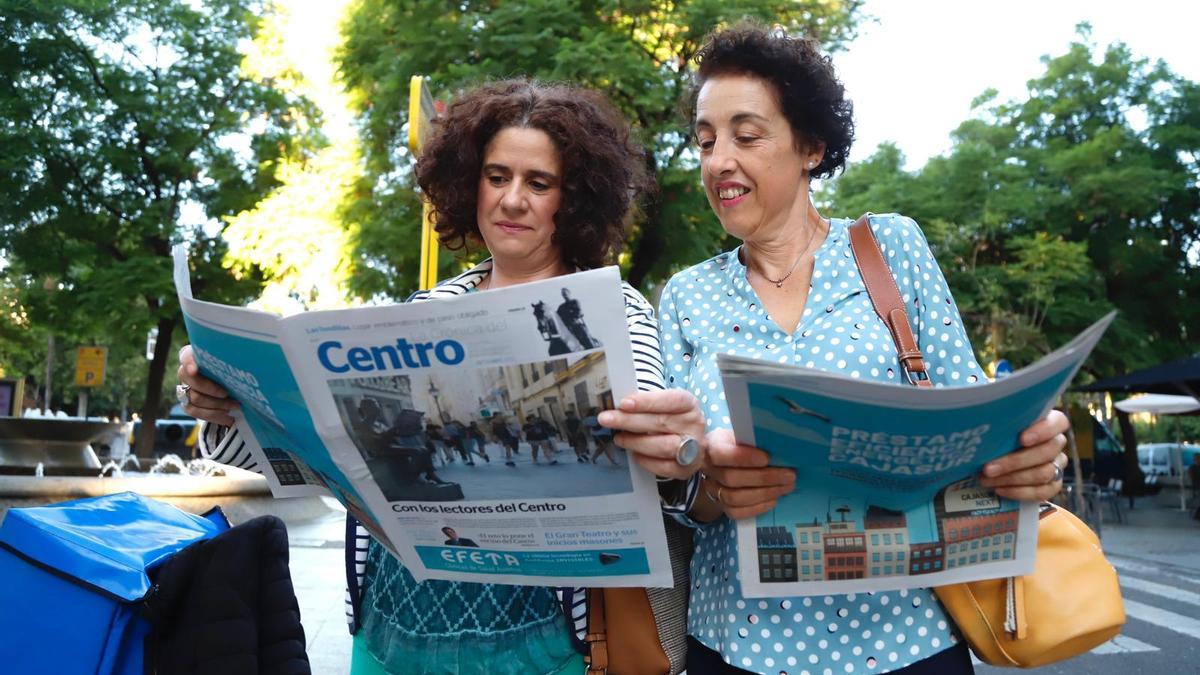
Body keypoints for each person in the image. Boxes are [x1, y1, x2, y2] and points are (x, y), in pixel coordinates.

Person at [176, 79, 707, 675]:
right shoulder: (421, 307)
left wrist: (677, 452)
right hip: (388, 628)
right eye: (497, 176)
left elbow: (664, 479)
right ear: (468, 183)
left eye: (539, 183)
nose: (511, 200)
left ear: (577, 198)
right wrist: (224, 403)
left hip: (544, 642)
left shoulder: (618, 310)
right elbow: (316, 460)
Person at [610, 24, 1072, 675]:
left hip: (910, 640)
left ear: (811, 145)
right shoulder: (686, 296)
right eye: (705, 140)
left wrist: (1024, 450)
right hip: (738, 646)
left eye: (746, 136)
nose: (718, 161)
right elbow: (685, 501)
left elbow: (973, 415)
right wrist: (701, 476)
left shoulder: (891, 248)